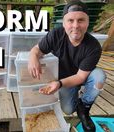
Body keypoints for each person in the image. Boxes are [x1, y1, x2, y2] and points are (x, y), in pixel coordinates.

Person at [28, 0, 106, 131]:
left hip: (76, 77)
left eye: (81, 20)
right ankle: (73, 96)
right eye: (70, 20)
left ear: (88, 23)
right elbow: (37, 49)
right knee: (68, 110)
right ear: (64, 23)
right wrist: (33, 56)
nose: (75, 26)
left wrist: (58, 84)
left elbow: (81, 77)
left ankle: (84, 108)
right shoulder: (55, 34)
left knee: (99, 76)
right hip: (63, 79)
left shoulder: (94, 46)